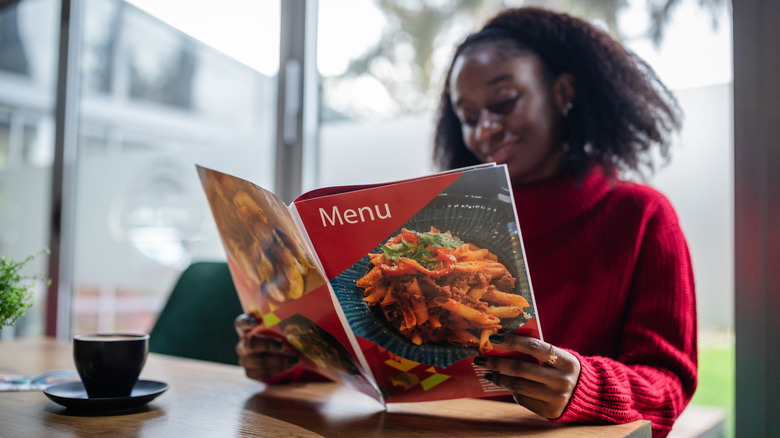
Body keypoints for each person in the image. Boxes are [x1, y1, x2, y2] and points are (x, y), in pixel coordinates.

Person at [236, 7, 697, 437]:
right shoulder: (440, 226)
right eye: (468, 117)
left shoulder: (641, 218)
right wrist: (291, 356)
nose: (485, 130)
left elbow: (669, 384)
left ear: (563, 92)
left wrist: (585, 385)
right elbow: (402, 362)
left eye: (504, 101)